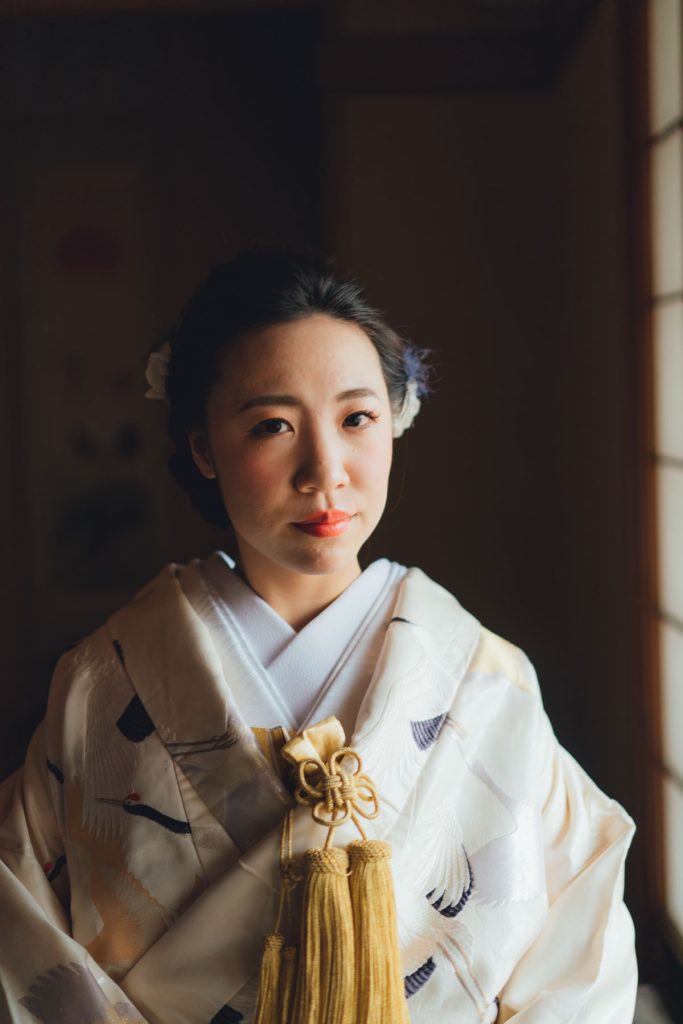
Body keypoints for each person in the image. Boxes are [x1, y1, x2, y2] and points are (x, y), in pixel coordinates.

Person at [0, 248, 637, 1023]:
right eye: (272, 424)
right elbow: (25, 922)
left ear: (395, 423)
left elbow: (578, 945)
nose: (324, 470)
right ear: (202, 446)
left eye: (356, 419)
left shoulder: (482, 677)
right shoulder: (106, 678)